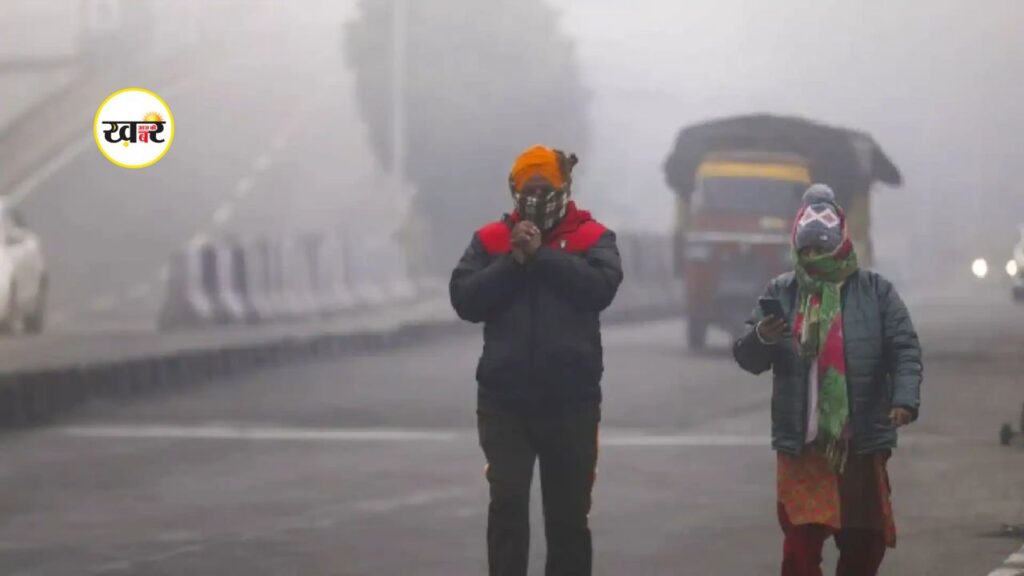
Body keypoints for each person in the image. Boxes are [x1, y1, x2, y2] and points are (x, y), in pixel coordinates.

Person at [450, 145, 623, 576]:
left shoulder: (593, 238)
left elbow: (599, 289)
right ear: (513, 191)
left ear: (564, 187)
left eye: (546, 188)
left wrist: (542, 256)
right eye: (528, 189)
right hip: (504, 402)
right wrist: (514, 261)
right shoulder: (490, 240)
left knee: (567, 518)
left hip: (571, 404)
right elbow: (466, 299)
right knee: (506, 504)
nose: (537, 196)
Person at [733, 184, 922, 576]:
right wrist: (763, 336)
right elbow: (748, 358)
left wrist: (904, 399)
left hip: (860, 442)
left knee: (864, 546)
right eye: (807, 251)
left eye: (822, 250)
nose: (814, 259)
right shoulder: (781, 292)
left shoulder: (877, 292)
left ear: (841, 244)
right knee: (799, 551)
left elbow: (904, 349)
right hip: (805, 449)